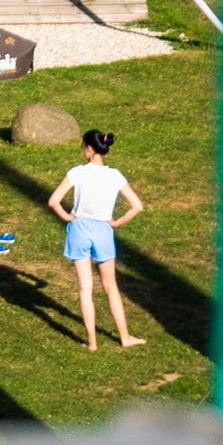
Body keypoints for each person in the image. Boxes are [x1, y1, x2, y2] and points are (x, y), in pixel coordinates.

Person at [48, 128, 144, 351]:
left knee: (85, 290)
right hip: (103, 231)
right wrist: (116, 223)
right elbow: (137, 206)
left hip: (79, 229)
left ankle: (92, 342)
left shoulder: (77, 173)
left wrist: (68, 217)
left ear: (89, 149)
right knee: (111, 286)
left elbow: (54, 201)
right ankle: (125, 337)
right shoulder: (115, 176)